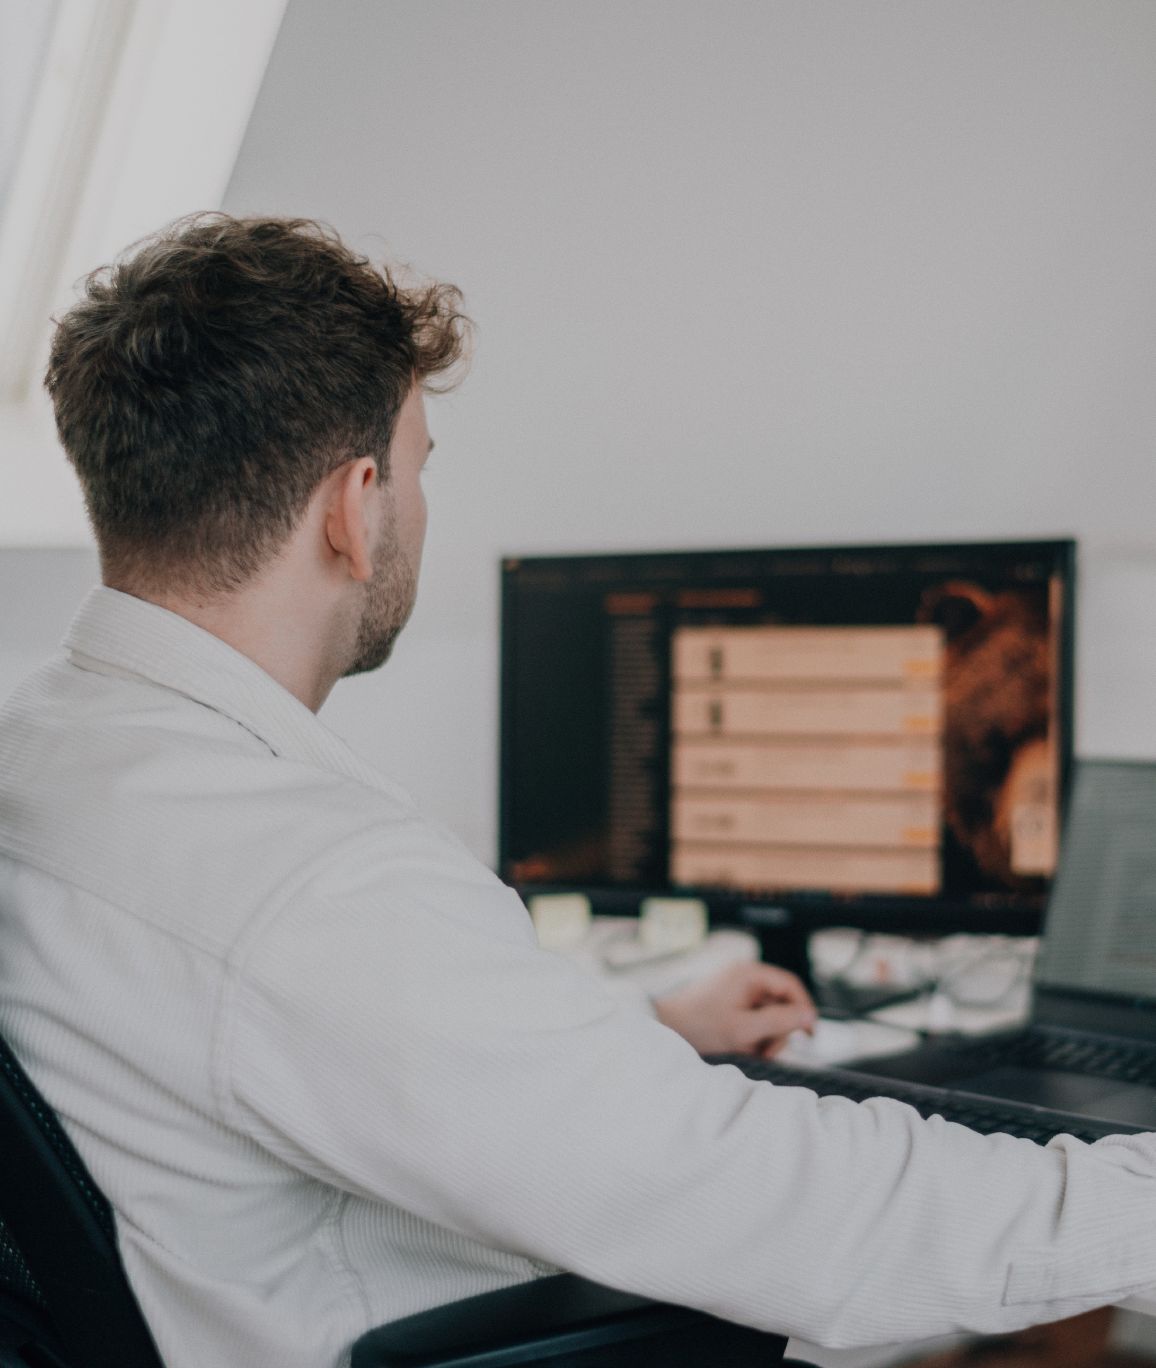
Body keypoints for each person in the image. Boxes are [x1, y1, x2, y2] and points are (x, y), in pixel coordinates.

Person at [0, 215, 1154, 1368]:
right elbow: (790, 1216)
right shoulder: (308, 876)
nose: (418, 503)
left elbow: (301, 1051)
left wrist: (640, 1038)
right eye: (416, 468)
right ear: (354, 507)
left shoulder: (38, 745)